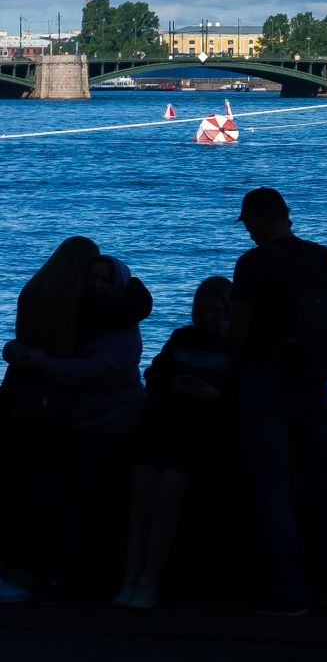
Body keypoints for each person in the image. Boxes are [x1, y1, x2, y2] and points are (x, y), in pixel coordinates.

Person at [228, 186, 327, 615]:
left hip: (266, 379)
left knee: (274, 488)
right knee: (323, 482)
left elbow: (240, 331)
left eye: (248, 223)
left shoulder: (252, 263)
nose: (247, 232)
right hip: (315, 378)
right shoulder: (323, 257)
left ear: (261, 220)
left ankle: (290, 592)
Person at [0, 243, 152, 603]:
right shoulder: (94, 316)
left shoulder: (108, 322)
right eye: (91, 278)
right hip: (85, 419)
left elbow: (100, 370)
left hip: (107, 422)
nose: (96, 285)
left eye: (103, 279)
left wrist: (33, 361)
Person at [116, 275, 237, 610]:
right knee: (141, 495)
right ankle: (131, 577)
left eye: (215, 310)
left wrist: (215, 397)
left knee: (165, 493)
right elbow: (154, 375)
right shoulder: (182, 337)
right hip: (164, 425)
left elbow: (240, 396)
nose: (207, 318)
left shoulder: (236, 346)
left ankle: (148, 578)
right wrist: (176, 386)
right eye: (201, 311)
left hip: (198, 435)